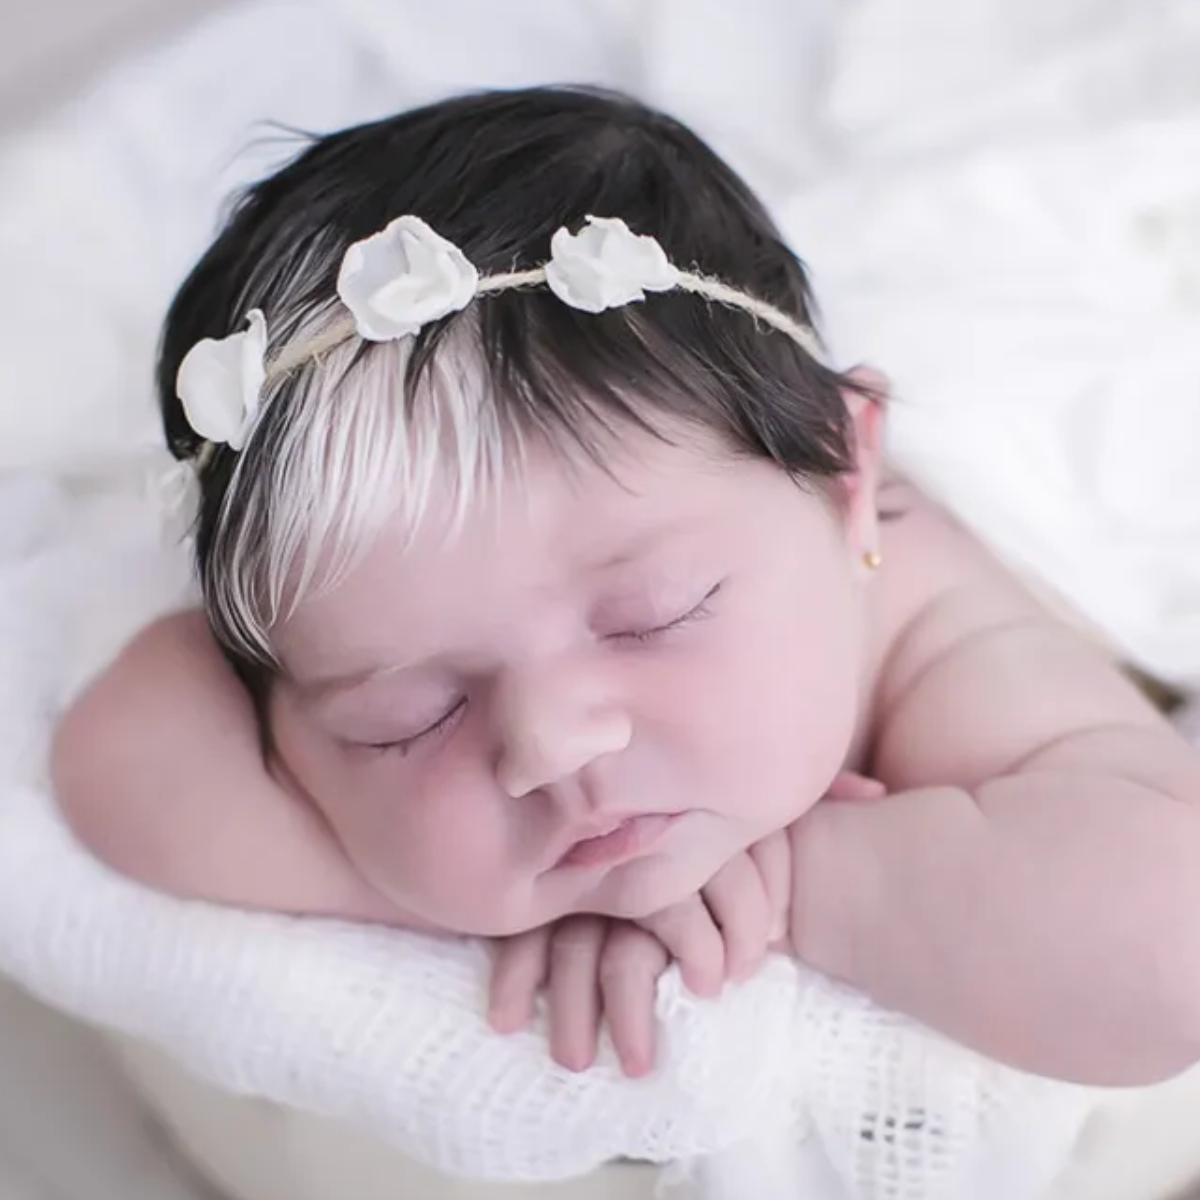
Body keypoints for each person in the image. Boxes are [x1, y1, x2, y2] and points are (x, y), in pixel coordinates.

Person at [51, 86, 1200, 1087]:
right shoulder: (483, 578)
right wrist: (479, 892)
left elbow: (1165, 946)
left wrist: (792, 880)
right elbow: (121, 755)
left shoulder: (937, 637)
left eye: (655, 615)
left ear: (849, 478)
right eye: (407, 719)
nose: (552, 745)